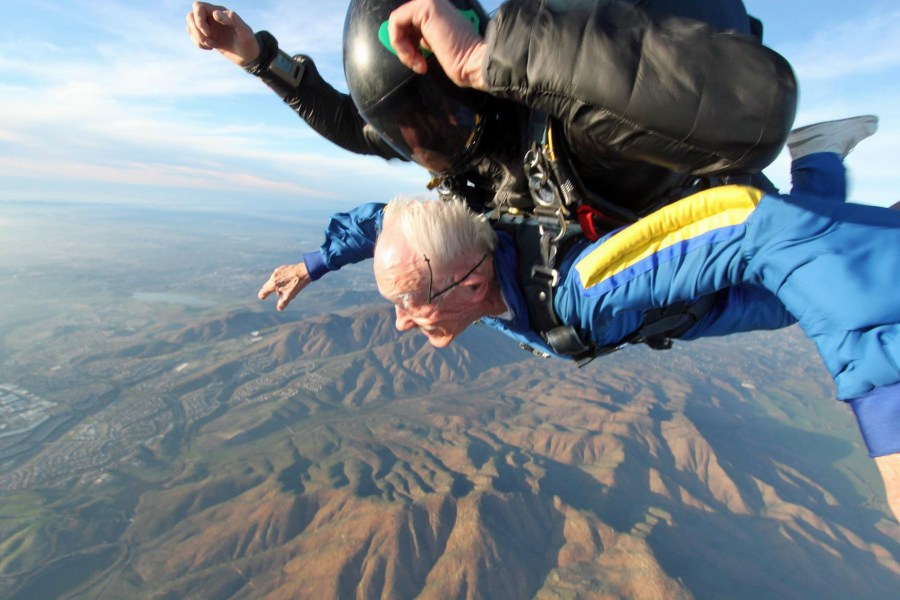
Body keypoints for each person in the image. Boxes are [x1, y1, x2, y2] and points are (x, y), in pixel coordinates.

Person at [257, 116, 899, 522]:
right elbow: (384, 224)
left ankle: (856, 203)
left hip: (700, 294)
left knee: (790, 292)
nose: (400, 322)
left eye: (407, 303)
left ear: (473, 284)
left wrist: (884, 404)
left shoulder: (584, 291)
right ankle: (820, 159)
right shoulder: (455, 240)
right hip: (670, 293)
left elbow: (757, 230)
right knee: (799, 285)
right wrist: (316, 263)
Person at [187, 0, 796, 219]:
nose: (427, 143)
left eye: (434, 117)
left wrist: (488, 58)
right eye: (408, 135)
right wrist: (259, 58)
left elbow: (754, 110)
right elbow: (356, 126)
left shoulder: (574, 118)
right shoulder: (446, 139)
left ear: (467, 84)